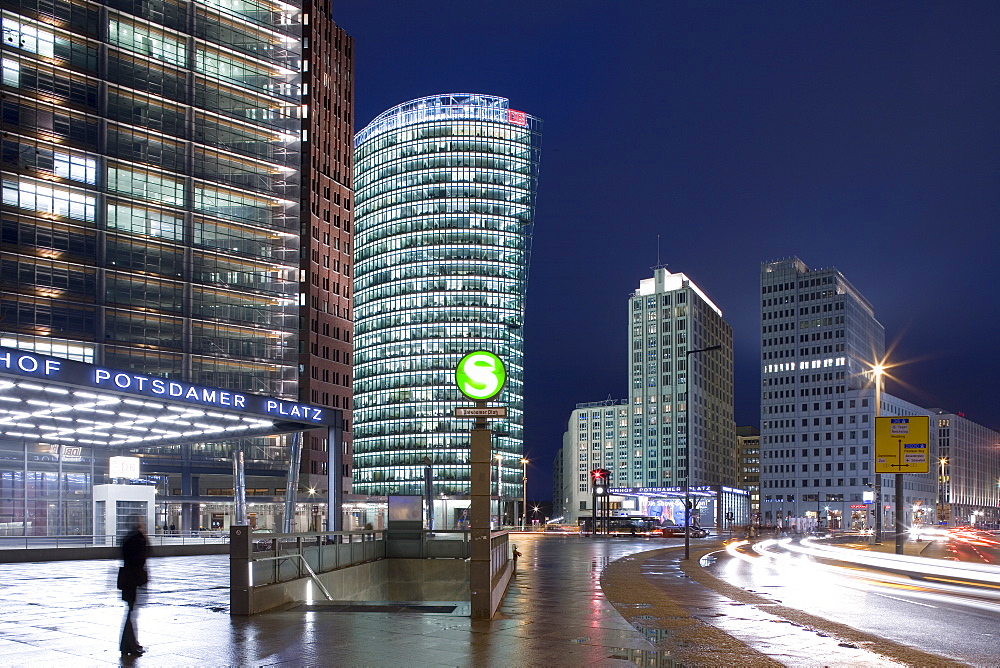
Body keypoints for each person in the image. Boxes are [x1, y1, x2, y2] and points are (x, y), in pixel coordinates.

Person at [118, 518, 149, 656]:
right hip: (133, 580)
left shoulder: (127, 538)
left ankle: (129, 644)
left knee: (130, 612)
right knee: (131, 613)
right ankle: (129, 645)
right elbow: (141, 558)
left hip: (127, 579)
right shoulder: (137, 540)